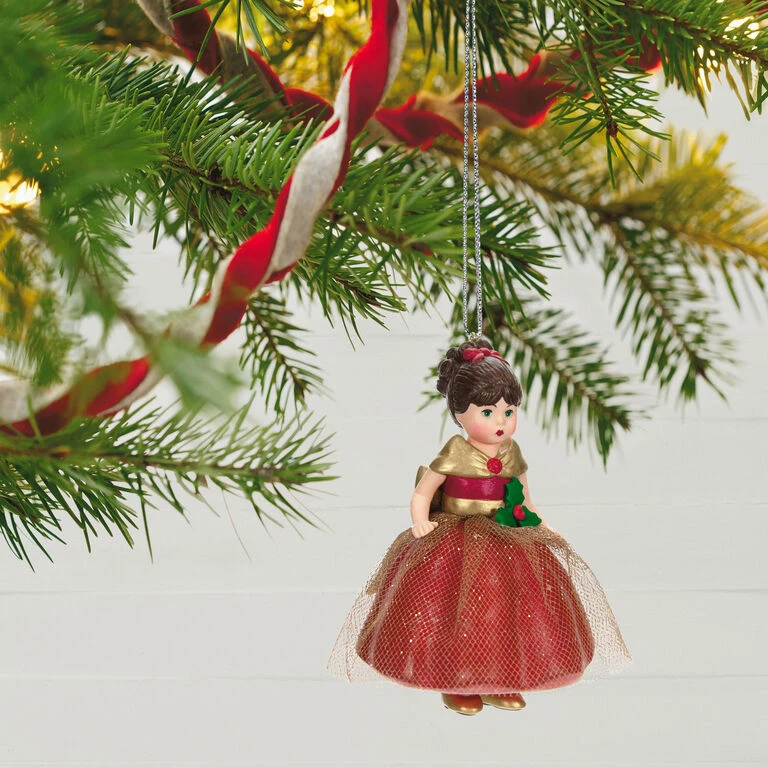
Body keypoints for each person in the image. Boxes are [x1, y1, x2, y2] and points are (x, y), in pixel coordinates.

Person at [328, 339, 630, 715]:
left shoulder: (512, 453)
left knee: (507, 612)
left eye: (509, 411)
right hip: (453, 535)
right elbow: (423, 493)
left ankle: (501, 680)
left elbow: (524, 499)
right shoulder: (454, 452)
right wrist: (420, 521)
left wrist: (542, 525)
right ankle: (456, 683)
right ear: (459, 413)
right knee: (456, 613)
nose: (500, 422)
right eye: (487, 412)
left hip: (506, 534)